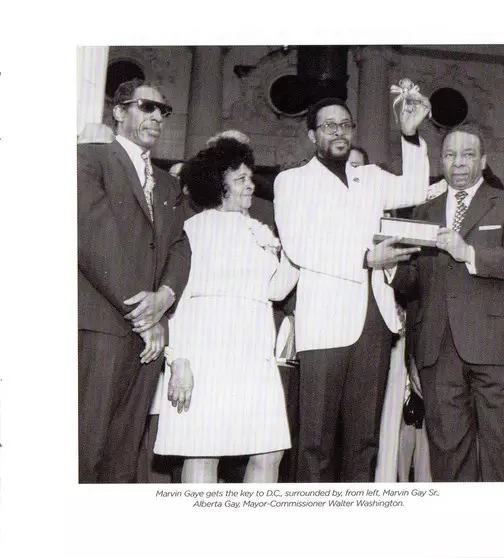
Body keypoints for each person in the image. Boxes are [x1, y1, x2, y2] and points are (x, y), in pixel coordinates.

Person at [273, 93, 431, 482]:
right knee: (316, 442)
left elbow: (415, 189)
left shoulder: (370, 177)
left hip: (374, 320)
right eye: (329, 125)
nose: (339, 132)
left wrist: (410, 135)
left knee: (365, 441)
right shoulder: (292, 181)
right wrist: (365, 258)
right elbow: (298, 245)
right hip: (324, 324)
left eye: (345, 125)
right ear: (312, 135)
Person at [154, 137, 298, 483]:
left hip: (254, 354)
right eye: (241, 179)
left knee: (269, 451)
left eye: (251, 177)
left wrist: (296, 248)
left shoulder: (259, 231)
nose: (251, 185)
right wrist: (179, 360)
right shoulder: (194, 230)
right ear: (219, 185)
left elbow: (276, 290)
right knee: (203, 452)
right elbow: (180, 303)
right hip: (208, 355)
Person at [78, 79, 191, 483]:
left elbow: (180, 247)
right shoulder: (88, 160)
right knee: (83, 450)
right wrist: (146, 316)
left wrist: (166, 296)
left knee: (123, 458)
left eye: (163, 111)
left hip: (148, 339)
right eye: (147, 107)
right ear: (119, 111)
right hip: (102, 328)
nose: (157, 117)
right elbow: (95, 240)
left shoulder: (169, 183)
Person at [391, 122, 504, 481]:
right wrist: (390, 267)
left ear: (483, 160)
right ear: (441, 160)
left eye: (467, 154)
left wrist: (469, 253)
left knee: (502, 454)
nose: (458, 162)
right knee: (448, 460)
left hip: (495, 351)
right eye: (450, 155)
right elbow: (413, 286)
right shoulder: (423, 211)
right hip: (437, 352)